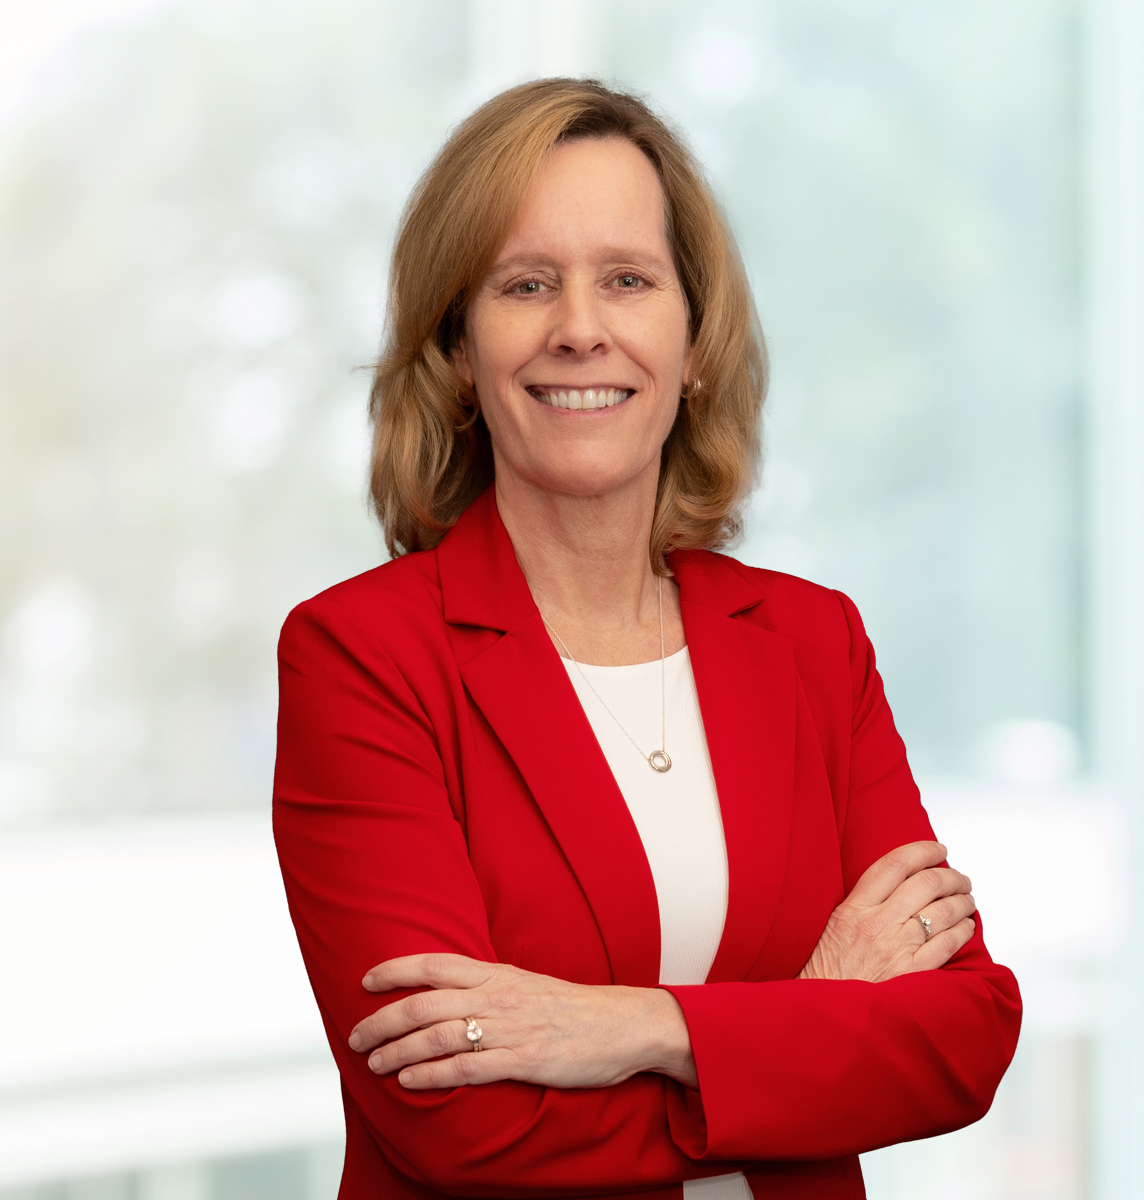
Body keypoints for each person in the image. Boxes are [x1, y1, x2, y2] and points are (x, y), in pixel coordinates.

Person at [272, 78, 1022, 1200]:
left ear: (694, 338)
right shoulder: (362, 657)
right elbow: (455, 1125)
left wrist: (629, 1027)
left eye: (628, 279)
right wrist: (812, 1022)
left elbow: (962, 1035)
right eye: (527, 285)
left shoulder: (814, 642)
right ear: (459, 353)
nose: (582, 328)